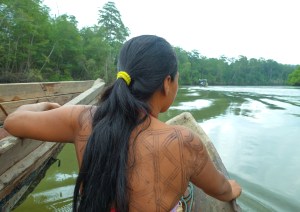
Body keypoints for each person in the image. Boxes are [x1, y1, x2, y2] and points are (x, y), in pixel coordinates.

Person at [4, 35, 241, 212]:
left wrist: (46, 106)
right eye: (177, 80)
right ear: (167, 82)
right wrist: (233, 188)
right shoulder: (183, 141)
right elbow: (221, 190)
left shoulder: (82, 118)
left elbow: (13, 121)